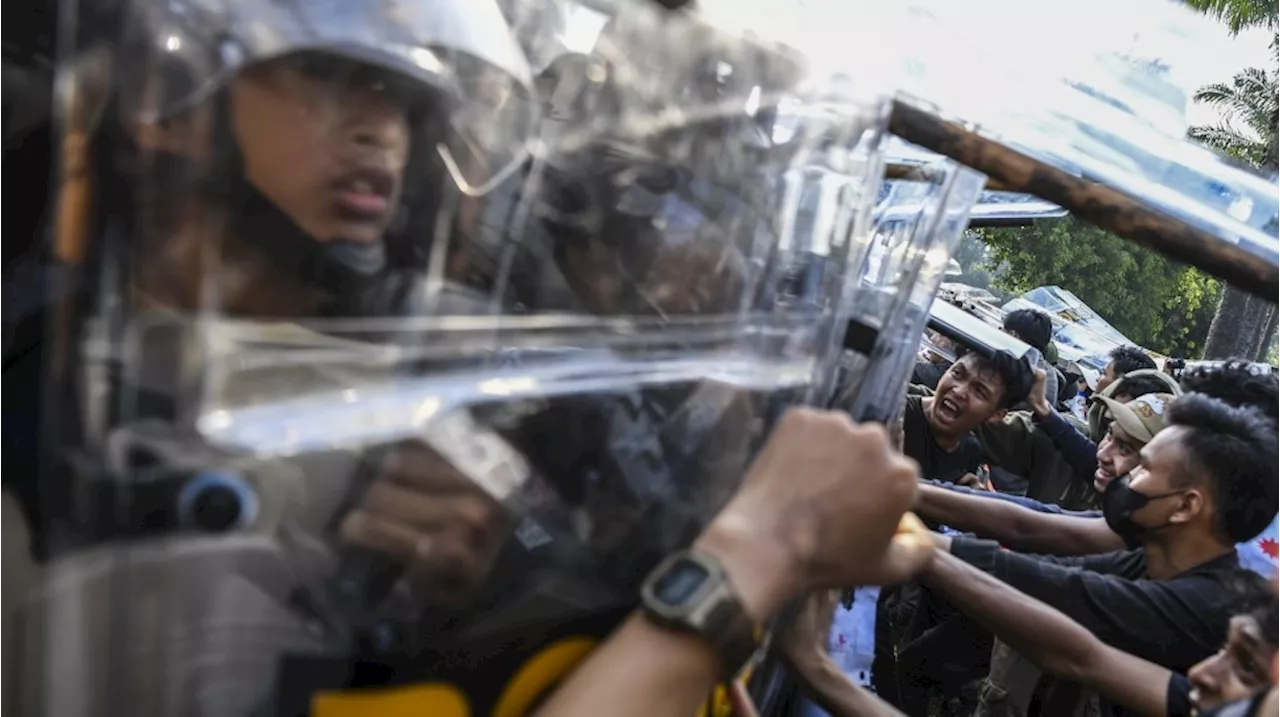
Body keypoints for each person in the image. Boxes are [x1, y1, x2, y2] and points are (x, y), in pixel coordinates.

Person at [930, 394, 1280, 683]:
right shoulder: (1153, 558)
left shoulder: (1203, 604)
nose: (1126, 473)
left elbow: (1061, 589)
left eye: (1144, 466)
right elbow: (1047, 570)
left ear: (1186, 506)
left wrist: (920, 545)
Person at [902, 350, 1034, 483]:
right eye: (957, 374)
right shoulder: (897, 415)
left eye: (979, 391)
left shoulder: (971, 450)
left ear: (996, 415)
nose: (959, 391)